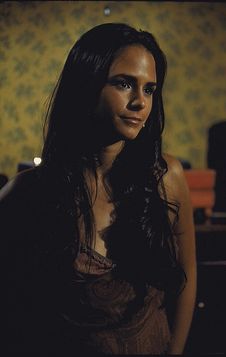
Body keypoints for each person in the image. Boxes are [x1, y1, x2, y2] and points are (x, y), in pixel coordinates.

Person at [2, 23, 196, 355]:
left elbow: (186, 278)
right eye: (124, 84)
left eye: (149, 89)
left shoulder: (166, 177)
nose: (140, 102)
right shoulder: (31, 190)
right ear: (86, 85)